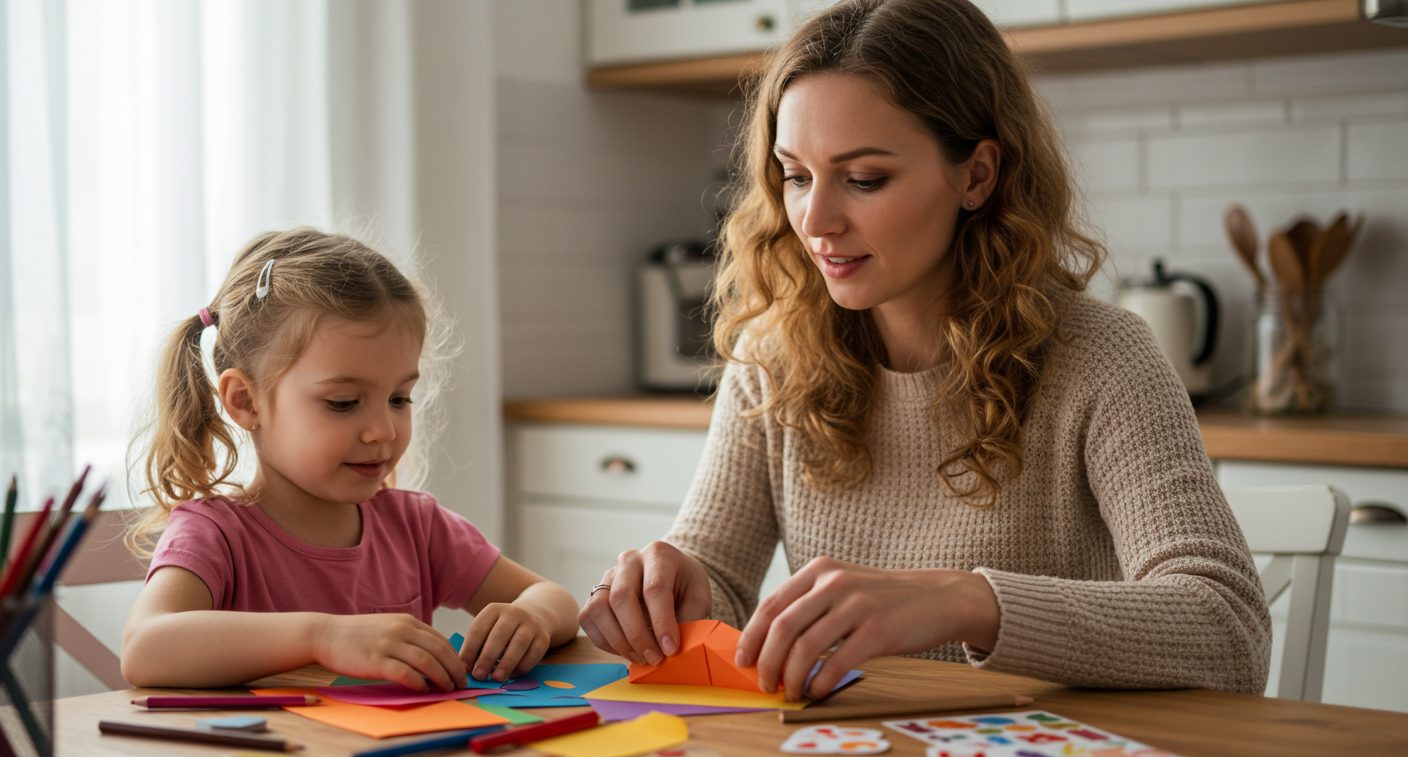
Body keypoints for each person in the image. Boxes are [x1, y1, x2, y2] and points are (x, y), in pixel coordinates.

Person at [579, 0, 1270, 701]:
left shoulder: (1099, 355)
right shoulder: (773, 358)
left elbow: (1230, 630)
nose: (815, 221)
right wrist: (673, 593)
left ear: (977, 176)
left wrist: (964, 601)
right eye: (795, 175)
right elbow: (718, 582)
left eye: (865, 179)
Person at [122, 228, 578, 691]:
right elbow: (145, 648)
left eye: (400, 399)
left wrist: (531, 616)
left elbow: (551, 597)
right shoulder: (215, 534)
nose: (383, 430)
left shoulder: (417, 526)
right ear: (245, 401)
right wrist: (322, 637)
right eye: (343, 402)